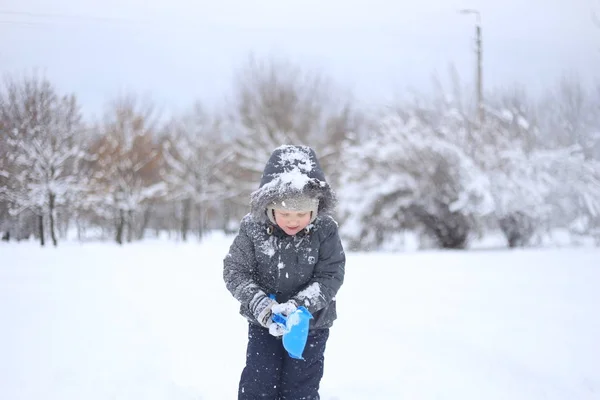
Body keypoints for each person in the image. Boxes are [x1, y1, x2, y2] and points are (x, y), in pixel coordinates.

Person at [223, 144, 346, 400]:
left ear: (316, 208)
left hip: (311, 326)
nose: (293, 220)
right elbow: (235, 270)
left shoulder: (325, 229)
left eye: (302, 213)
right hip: (264, 324)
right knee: (259, 385)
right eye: (285, 213)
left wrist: (300, 306)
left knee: (301, 387)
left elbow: (331, 274)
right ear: (269, 207)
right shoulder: (253, 228)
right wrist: (261, 305)